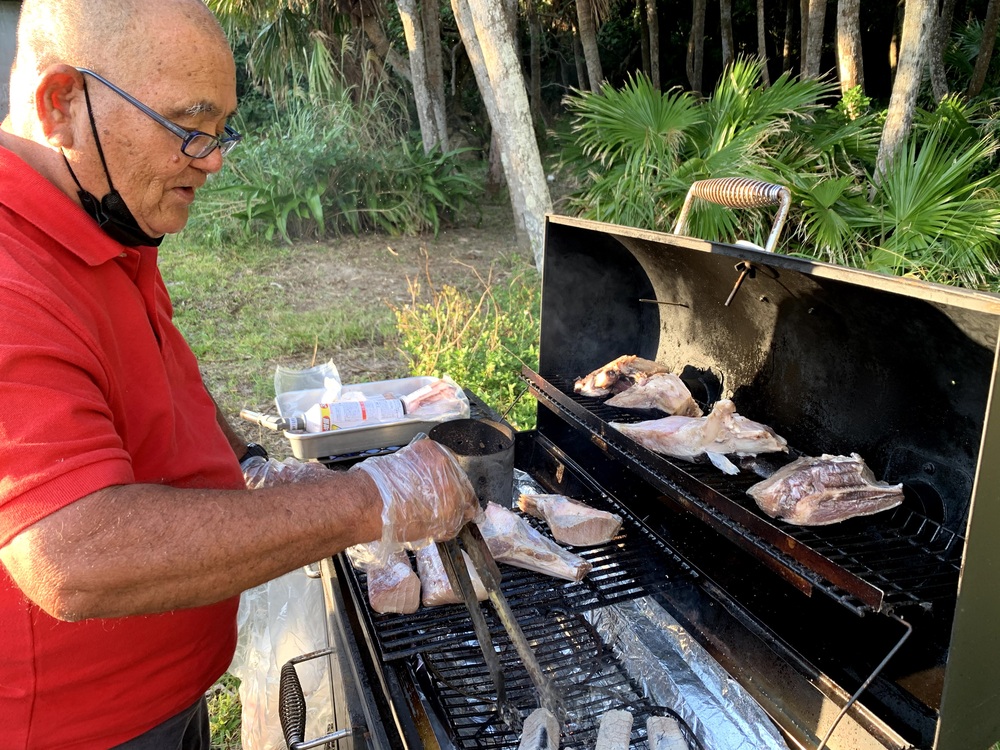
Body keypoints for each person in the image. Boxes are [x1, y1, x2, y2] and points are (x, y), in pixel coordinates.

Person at [0, 1, 480, 747]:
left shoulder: (103, 219)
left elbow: (165, 380)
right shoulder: (11, 273)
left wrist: (250, 465)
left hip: (165, 697)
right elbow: (72, 555)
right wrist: (368, 499)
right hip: (75, 728)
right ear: (62, 103)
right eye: (189, 125)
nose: (215, 158)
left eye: (221, 128)